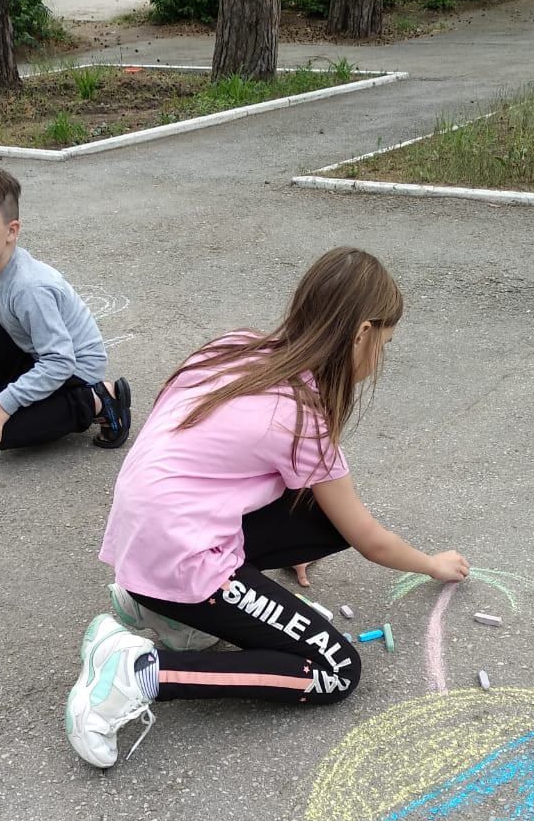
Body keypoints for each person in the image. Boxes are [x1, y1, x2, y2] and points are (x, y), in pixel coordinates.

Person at [65, 247, 470, 769]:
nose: (379, 362)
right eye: (384, 345)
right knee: (335, 670)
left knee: (323, 514)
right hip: (179, 551)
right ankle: (135, 673)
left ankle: (161, 608)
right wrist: (432, 564)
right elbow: (368, 539)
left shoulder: (236, 347)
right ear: (362, 333)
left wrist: (288, 541)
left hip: (144, 533)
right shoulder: (302, 418)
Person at [0, 163, 131, 451]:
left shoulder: (30, 288)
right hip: (39, 359)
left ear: (11, 231)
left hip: (75, 375)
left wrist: (4, 403)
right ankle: (40, 404)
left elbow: (60, 361)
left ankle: (100, 400)